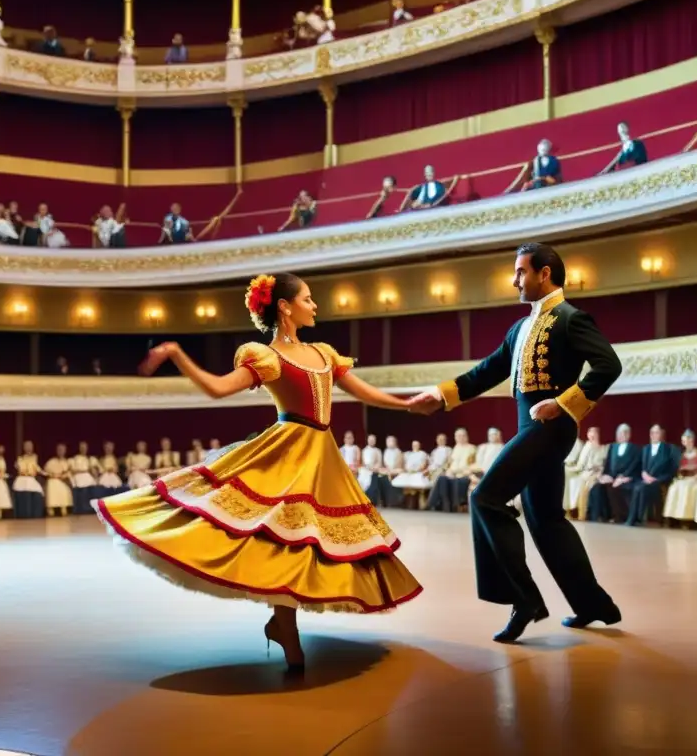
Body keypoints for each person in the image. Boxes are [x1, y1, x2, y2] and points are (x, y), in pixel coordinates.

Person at [94, 273, 423, 672]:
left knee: (306, 540)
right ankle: (288, 632)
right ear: (284, 307)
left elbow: (365, 392)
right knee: (281, 536)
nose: (314, 305)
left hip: (322, 455)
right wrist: (178, 354)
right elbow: (218, 388)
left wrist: (407, 405)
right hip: (286, 451)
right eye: (307, 298)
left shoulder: (324, 352)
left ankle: (284, 628)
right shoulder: (266, 356)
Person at [409, 243, 621, 641]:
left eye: (521, 271)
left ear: (544, 273)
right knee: (547, 522)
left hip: (549, 430)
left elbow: (609, 365)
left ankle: (523, 599)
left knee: (484, 498)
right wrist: (441, 396)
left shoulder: (571, 319)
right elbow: (488, 371)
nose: (514, 279)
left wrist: (562, 403)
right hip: (531, 430)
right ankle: (595, 605)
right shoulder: (520, 328)